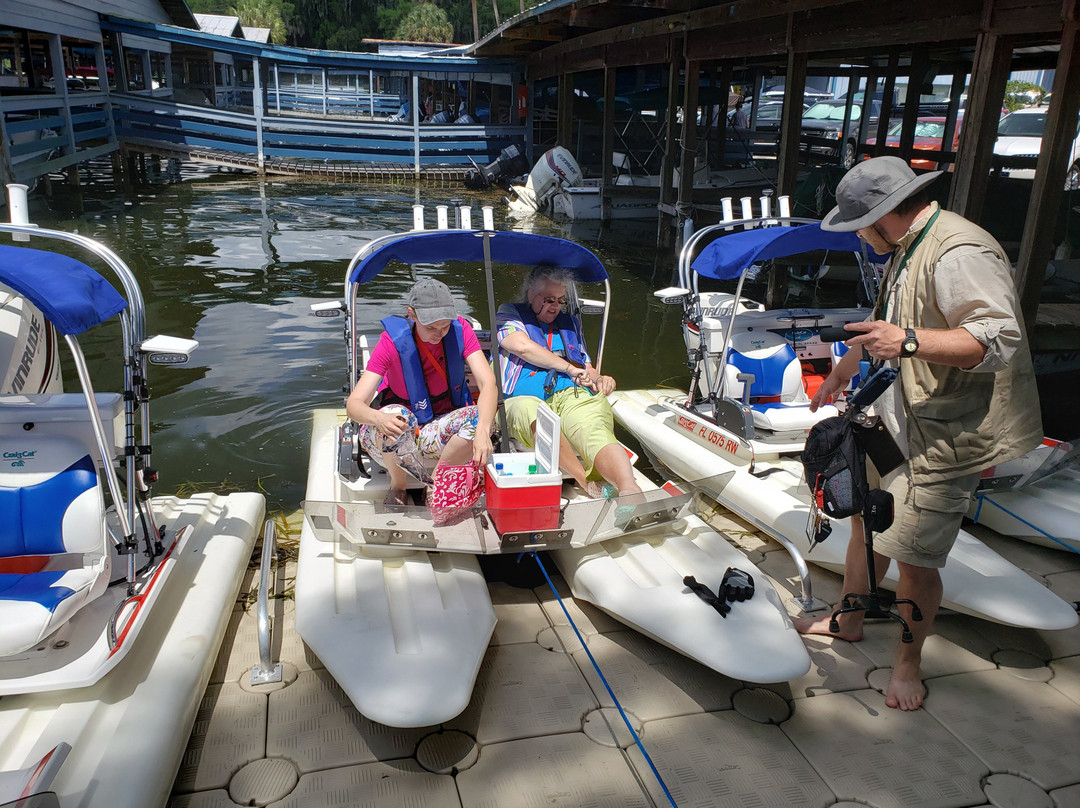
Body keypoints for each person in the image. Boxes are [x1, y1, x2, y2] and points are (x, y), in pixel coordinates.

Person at [794, 156, 1042, 711]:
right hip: (894, 419)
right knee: (866, 519)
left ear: (885, 214)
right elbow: (883, 322)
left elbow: (996, 340)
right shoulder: (905, 244)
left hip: (945, 432)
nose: (858, 234)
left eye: (860, 224)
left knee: (915, 560)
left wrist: (907, 341)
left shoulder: (959, 251)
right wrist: (842, 369)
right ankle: (848, 620)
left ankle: (908, 666)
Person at [346, 278, 496, 506]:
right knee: (395, 416)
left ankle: (435, 483)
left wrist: (484, 431)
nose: (439, 333)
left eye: (445, 326)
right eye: (431, 327)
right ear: (412, 315)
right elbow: (354, 404)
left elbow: (488, 383)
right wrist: (379, 418)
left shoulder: (461, 331)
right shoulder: (391, 342)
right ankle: (399, 486)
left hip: (437, 435)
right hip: (395, 438)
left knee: (482, 418)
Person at [496, 267, 641, 498]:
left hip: (568, 394)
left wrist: (601, 378)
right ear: (531, 294)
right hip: (521, 400)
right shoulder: (508, 314)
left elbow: (586, 366)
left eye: (560, 300)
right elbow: (521, 346)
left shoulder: (570, 323)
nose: (555, 306)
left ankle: (629, 488)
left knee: (592, 420)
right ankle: (585, 481)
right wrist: (568, 368)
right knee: (535, 413)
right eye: (549, 299)